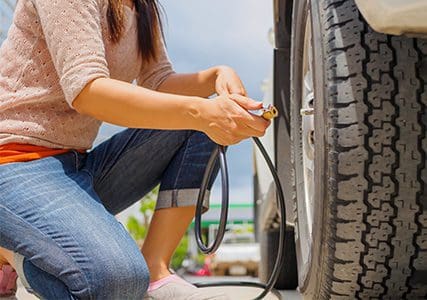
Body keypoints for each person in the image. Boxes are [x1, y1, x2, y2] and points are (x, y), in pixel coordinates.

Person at [0, 0, 270, 299]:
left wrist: (214, 78)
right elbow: (88, 91)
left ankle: (155, 269)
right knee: (117, 281)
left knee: (200, 123)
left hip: (75, 167)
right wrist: (202, 111)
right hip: (14, 163)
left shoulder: (143, 8)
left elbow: (158, 83)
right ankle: (14, 250)